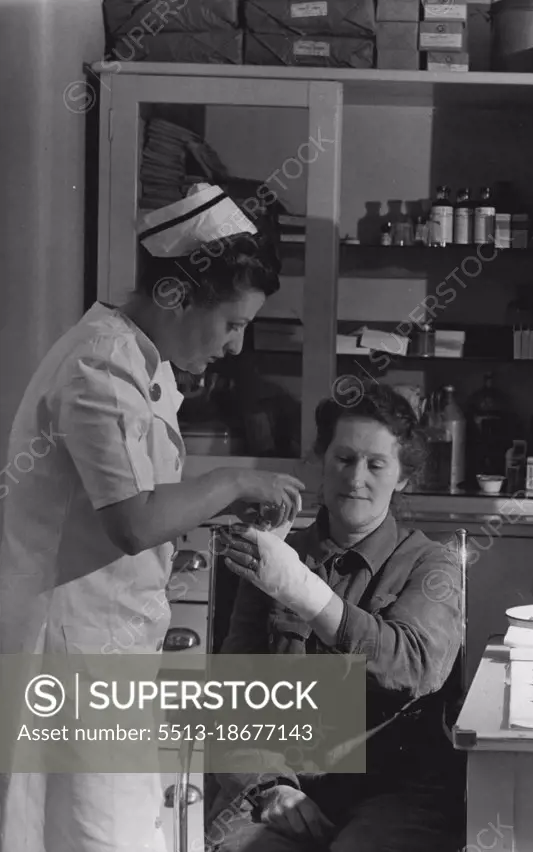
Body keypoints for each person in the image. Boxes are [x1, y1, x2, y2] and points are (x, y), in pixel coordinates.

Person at [0, 184, 305, 852]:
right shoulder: (100, 363)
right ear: (174, 295)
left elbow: (134, 499)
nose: (235, 346)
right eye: (231, 323)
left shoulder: (138, 362)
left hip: (107, 656)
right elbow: (132, 523)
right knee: (101, 838)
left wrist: (215, 506)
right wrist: (230, 481)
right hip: (73, 661)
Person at [211, 381, 464, 852]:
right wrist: (269, 785)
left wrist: (304, 591)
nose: (356, 479)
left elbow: (413, 669)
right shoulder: (275, 557)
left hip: (395, 789)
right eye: (344, 460)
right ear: (319, 465)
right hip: (283, 780)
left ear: (403, 477)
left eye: (376, 464)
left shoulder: (432, 564)